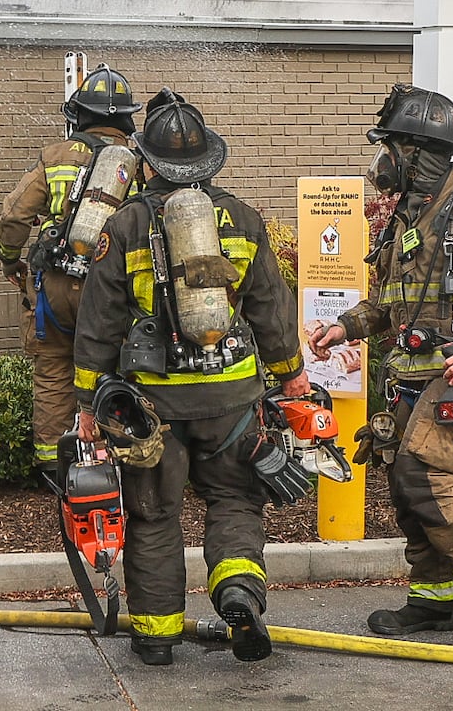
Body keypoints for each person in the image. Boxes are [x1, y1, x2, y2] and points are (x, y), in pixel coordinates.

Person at [73, 89, 306, 666]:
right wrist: (291, 375)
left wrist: (86, 400)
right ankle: (238, 593)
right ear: (209, 161)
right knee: (234, 499)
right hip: (232, 401)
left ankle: (155, 638)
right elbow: (271, 311)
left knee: (154, 513)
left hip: (152, 408)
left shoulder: (123, 225)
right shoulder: (246, 220)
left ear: (147, 161)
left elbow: (98, 323)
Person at [307, 84, 453, 637]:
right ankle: (434, 596)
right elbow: (394, 302)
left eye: (388, 147)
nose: (380, 161)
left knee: (428, 474)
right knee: (405, 483)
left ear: (414, 153)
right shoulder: (410, 220)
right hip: (413, 374)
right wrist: (345, 327)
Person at [0, 64, 143, 470]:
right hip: (113, 290)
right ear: (126, 118)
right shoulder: (136, 164)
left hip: (56, 288)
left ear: (78, 113)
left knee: (53, 374)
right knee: (116, 369)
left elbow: (13, 217)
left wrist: (10, 261)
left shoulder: (54, 156)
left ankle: (55, 469)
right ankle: (120, 463)